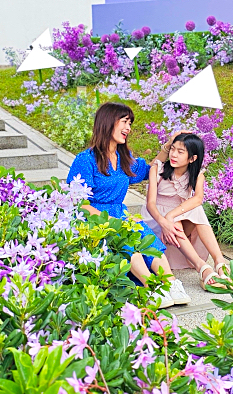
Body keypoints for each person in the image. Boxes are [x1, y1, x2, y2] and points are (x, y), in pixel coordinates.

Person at [67, 101, 190, 307]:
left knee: (145, 235)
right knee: (125, 238)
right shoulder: (85, 160)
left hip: (119, 213)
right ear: (107, 122)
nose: (128, 128)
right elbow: (78, 203)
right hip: (94, 219)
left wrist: (169, 145)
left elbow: (149, 170)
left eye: (130, 123)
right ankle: (151, 288)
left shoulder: (122, 157)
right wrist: (111, 221)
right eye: (124, 122)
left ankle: (170, 283)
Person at [143, 132, 229, 288]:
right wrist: (165, 221)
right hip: (156, 222)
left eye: (180, 152)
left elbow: (197, 199)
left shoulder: (197, 175)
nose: (174, 155)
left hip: (177, 221)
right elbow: (150, 204)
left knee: (195, 209)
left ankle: (219, 261)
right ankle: (202, 267)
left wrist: (171, 215)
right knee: (178, 218)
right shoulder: (158, 169)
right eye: (173, 149)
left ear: (192, 158)